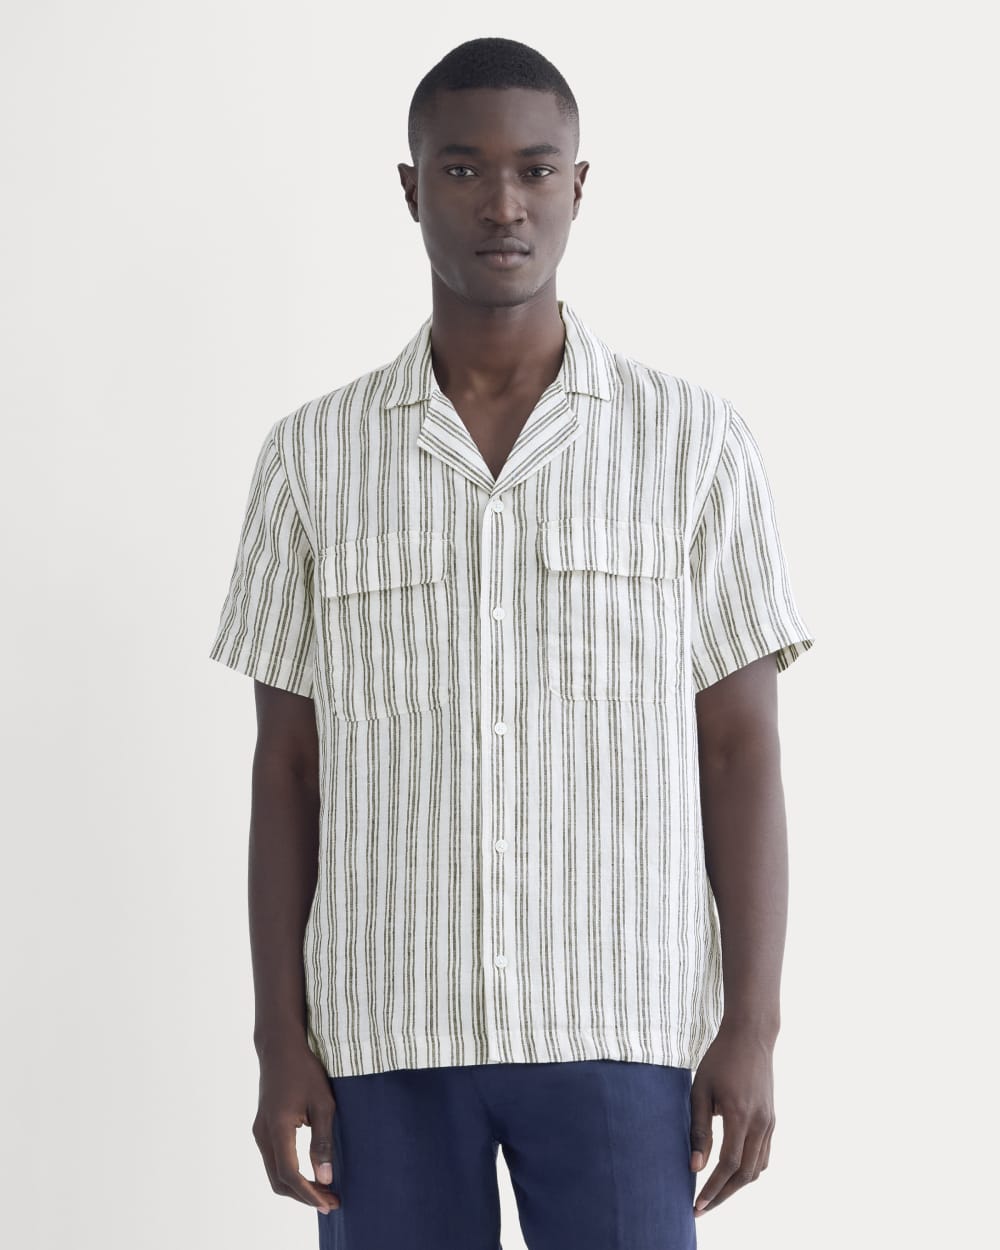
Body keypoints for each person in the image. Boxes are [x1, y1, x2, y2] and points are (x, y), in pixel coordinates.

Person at [208, 35, 816, 1250]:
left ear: (577, 186)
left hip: (618, 1022)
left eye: (535, 169)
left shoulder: (692, 443)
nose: (502, 204)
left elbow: (739, 747)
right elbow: (287, 766)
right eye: (462, 169)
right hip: (384, 1030)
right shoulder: (312, 458)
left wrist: (750, 1023)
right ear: (410, 187)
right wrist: (280, 1035)